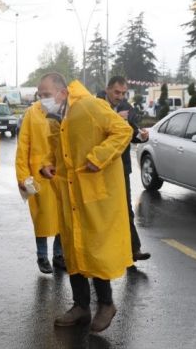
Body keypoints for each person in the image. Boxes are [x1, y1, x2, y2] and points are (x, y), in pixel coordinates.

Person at [38, 73, 132, 334]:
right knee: (73, 249)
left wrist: (97, 156)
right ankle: (81, 305)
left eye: (46, 95)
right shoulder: (57, 117)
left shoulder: (90, 106)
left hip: (94, 192)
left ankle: (106, 303)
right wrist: (48, 164)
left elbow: (123, 131)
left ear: (62, 93)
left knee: (95, 248)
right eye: (40, 96)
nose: (42, 101)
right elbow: (54, 147)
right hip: (70, 194)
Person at [97, 76, 151, 264]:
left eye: (123, 93)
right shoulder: (95, 105)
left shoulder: (127, 107)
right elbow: (92, 131)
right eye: (116, 92)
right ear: (107, 89)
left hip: (122, 166)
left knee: (125, 208)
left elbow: (132, 132)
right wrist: (114, 118)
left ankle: (133, 250)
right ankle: (97, 253)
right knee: (99, 210)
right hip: (99, 166)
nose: (120, 96)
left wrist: (141, 136)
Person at [15, 99, 65, 274]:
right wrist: (22, 176)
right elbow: (23, 146)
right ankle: (42, 256)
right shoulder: (32, 113)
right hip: (37, 174)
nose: (47, 96)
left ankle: (59, 255)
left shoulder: (66, 110)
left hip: (60, 171)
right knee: (41, 216)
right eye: (43, 92)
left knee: (62, 215)